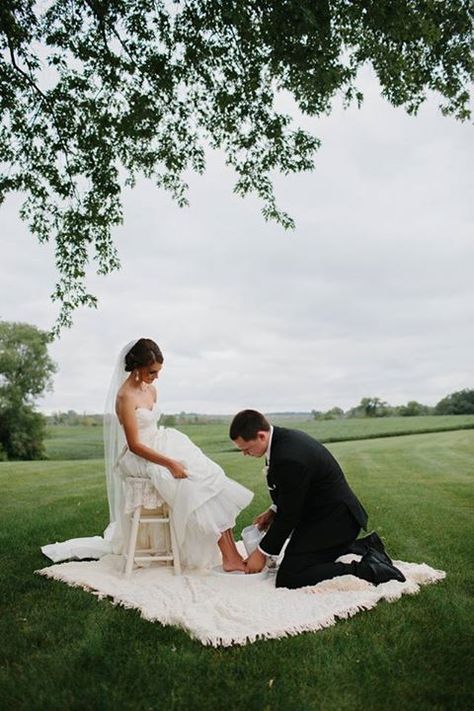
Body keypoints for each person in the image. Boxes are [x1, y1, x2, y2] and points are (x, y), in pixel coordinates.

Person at [42, 339, 253, 572]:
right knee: (193, 483)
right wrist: (170, 462)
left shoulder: (151, 389)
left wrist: (171, 457)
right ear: (138, 366)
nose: (156, 377)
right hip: (139, 456)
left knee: (212, 475)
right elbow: (134, 445)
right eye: (152, 371)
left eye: (158, 372)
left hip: (161, 443)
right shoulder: (125, 397)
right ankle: (229, 557)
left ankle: (231, 554)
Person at [229, 409, 406, 588]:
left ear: (261, 436)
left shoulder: (289, 456)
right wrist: (273, 510)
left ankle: (366, 568)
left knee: (290, 576)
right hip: (322, 515)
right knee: (298, 557)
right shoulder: (281, 441)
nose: (245, 454)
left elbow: (290, 515)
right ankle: (365, 546)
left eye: (246, 448)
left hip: (337, 520)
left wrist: (261, 552)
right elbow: (293, 490)